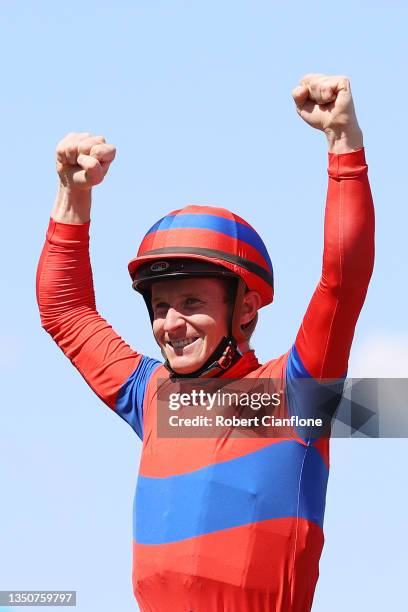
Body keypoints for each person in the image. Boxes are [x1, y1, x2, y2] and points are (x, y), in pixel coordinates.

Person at [36, 73, 374, 611]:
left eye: (192, 303)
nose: (171, 323)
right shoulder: (151, 395)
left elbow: (343, 279)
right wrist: (72, 195)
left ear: (245, 310)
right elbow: (64, 311)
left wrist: (343, 143)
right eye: (160, 305)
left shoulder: (297, 391)